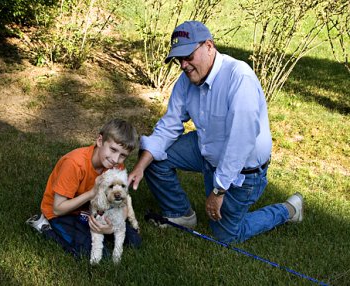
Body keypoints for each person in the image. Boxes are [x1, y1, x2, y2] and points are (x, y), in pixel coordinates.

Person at [128, 21, 304, 244]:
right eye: (178, 60)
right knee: (153, 154)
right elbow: (169, 125)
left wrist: (218, 190)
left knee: (226, 235)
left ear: (209, 46)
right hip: (206, 148)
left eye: (188, 56)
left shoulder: (240, 78)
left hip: (243, 168)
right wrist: (140, 166)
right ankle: (181, 214)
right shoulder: (186, 79)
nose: (183, 65)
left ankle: (288, 210)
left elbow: (240, 143)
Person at [27, 118, 141, 258]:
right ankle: (45, 228)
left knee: (134, 241)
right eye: (113, 150)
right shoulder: (75, 163)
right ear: (100, 141)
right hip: (61, 213)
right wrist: (92, 193)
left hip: (89, 209)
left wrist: (111, 228)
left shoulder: (116, 167)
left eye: (123, 155)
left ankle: (87, 225)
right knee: (96, 255)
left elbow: (121, 203)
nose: (116, 159)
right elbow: (58, 208)